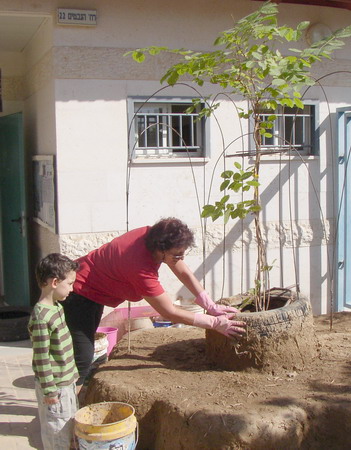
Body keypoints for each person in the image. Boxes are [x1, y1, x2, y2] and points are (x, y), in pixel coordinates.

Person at [62, 217, 246, 387]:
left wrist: (210, 305)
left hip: (95, 291)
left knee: (84, 348)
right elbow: (169, 312)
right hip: (78, 293)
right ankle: (69, 399)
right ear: (161, 250)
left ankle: (77, 385)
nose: (180, 259)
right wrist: (214, 323)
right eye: (176, 255)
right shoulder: (139, 266)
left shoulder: (153, 237)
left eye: (183, 254)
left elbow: (182, 271)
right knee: (83, 355)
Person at [28, 253, 79, 450]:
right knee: (57, 431)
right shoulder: (42, 317)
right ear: (55, 282)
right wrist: (49, 390)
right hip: (55, 388)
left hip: (65, 383)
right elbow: (41, 358)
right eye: (71, 283)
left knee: (67, 427)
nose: (73, 289)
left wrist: (73, 376)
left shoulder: (57, 307)